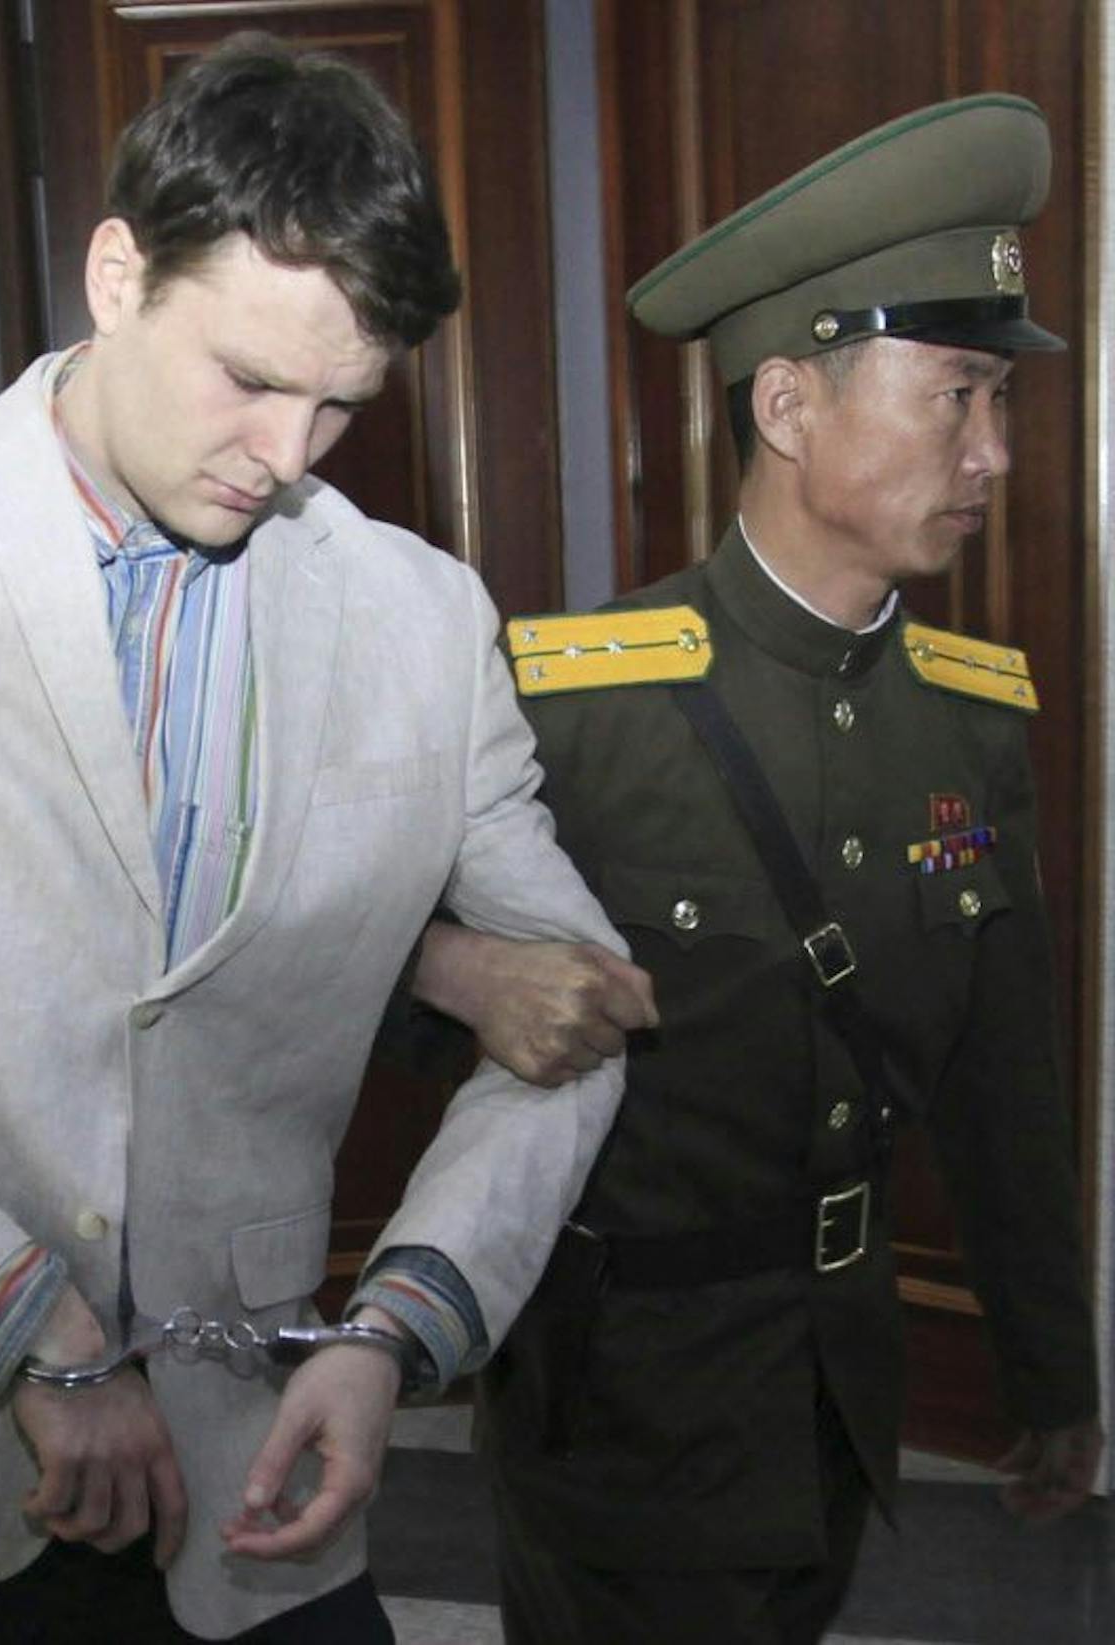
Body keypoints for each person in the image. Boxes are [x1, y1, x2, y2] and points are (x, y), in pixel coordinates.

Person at [0, 34, 645, 1643]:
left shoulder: (423, 619)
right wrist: (33, 1329)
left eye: (339, 406)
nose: (285, 458)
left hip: (255, 1487)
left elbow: (579, 1009)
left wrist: (396, 1328)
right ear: (114, 274)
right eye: (248, 377)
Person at [407, 94, 1104, 1643]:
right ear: (790, 406)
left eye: (1002, 401)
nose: (992, 451)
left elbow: (1006, 1081)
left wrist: (1053, 1373)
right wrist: (454, 969)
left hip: (838, 1396)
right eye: (957, 395)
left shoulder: (971, 719)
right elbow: (352, 974)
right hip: (620, 1413)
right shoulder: (571, 703)